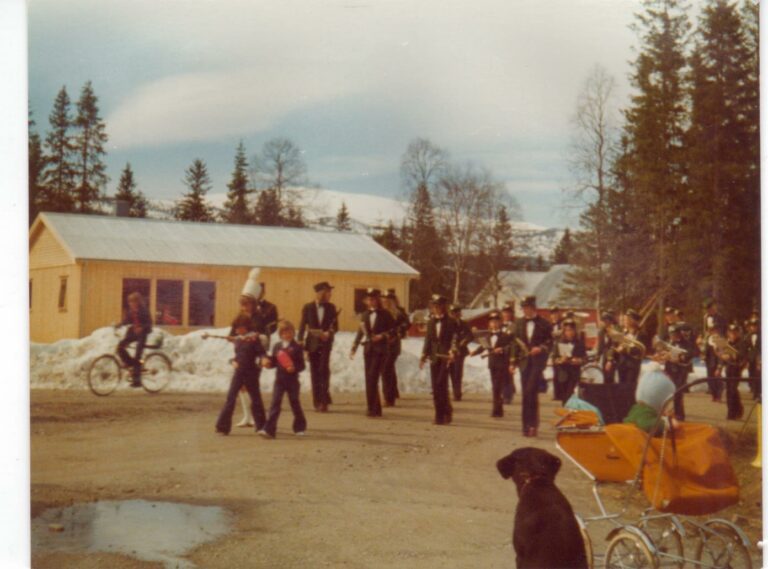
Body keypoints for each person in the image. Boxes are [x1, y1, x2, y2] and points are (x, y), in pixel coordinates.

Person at [215, 313, 267, 435]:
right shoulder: (238, 340)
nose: (236, 330)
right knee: (230, 398)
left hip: (251, 372)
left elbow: (261, 352)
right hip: (239, 372)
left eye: (239, 328)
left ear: (246, 327)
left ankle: (261, 425)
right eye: (236, 328)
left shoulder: (254, 338)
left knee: (255, 398)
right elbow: (238, 356)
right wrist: (233, 361)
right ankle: (222, 426)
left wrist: (264, 359)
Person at [351, 288, 395, 417]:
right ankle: (373, 408)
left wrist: (382, 336)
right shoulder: (365, 314)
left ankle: (373, 408)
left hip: (380, 350)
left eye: (373, 299)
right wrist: (354, 346)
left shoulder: (385, 314)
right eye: (369, 299)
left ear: (378, 300)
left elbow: (393, 331)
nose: (371, 302)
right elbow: (361, 331)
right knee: (369, 378)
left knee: (373, 377)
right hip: (368, 349)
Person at [259, 320, 307, 438]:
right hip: (279, 380)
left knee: (294, 403)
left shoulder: (297, 347)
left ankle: (299, 427)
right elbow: (275, 362)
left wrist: (294, 368)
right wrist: (268, 363)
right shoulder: (277, 346)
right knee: (275, 403)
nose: (287, 335)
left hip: (292, 381)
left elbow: (302, 365)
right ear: (280, 334)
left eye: (289, 332)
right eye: (284, 333)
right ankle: (269, 430)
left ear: (293, 332)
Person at [514, 295, 553, 437]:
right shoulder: (518, 323)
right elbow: (514, 343)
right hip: (524, 362)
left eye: (528, 307)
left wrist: (541, 348)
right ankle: (526, 426)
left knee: (531, 391)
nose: (525, 310)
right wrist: (512, 362)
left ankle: (533, 424)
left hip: (537, 363)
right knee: (526, 394)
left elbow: (550, 342)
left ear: (533, 307)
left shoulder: (544, 323)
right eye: (524, 308)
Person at [298, 281, 338, 412]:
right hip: (312, 344)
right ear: (320, 293)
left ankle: (324, 401)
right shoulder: (308, 307)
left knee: (324, 371)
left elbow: (335, 327)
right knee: (315, 372)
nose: (330, 294)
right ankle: (317, 401)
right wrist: (300, 342)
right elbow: (302, 326)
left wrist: (328, 333)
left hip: (325, 343)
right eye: (327, 292)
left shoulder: (331, 307)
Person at [420, 294, 459, 425]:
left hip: (446, 357)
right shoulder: (431, 322)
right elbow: (428, 340)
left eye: (438, 306)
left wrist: (453, 351)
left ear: (443, 307)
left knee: (441, 384)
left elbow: (455, 339)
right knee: (435, 387)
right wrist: (424, 355)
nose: (436, 309)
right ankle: (444, 412)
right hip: (434, 357)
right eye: (434, 306)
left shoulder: (451, 322)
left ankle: (441, 415)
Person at [471, 311, 512, 417]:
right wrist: (474, 352)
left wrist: (502, 349)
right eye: (492, 322)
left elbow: (511, 347)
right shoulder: (488, 335)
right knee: (495, 386)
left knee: (497, 386)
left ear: (500, 323)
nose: (494, 324)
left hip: (502, 364)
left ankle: (496, 410)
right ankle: (499, 409)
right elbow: (483, 346)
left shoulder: (505, 335)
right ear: (489, 324)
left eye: (496, 322)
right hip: (492, 364)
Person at [117, 291, 153, 388]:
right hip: (134, 332)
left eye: (133, 301)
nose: (131, 304)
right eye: (129, 302)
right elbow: (126, 320)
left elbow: (149, 324)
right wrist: (118, 325)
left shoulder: (144, 310)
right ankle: (132, 364)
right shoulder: (131, 311)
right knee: (120, 347)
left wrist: (142, 328)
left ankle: (137, 381)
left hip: (143, 334)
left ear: (137, 302)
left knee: (138, 354)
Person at [381, 290, 410, 406]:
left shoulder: (399, 312)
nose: (386, 302)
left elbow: (407, 324)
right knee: (389, 368)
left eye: (388, 300)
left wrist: (398, 332)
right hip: (383, 344)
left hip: (394, 344)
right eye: (384, 300)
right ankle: (393, 391)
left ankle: (388, 398)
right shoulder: (381, 312)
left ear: (393, 301)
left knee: (386, 369)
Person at [662, 323, 693, 421]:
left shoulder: (686, 343)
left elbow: (690, 354)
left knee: (678, 392)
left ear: (679, 333)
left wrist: (679, 357)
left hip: (681, 370)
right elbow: (665, 353)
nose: (672, 336)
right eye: (671, 334)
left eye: (674, 334)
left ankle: (679, 414)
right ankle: (670, 411)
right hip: (670, 369)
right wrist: (664, 356)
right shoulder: (670, 342)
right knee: (668, 391)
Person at [552, 319, 586, 405]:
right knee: (564, 398)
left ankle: (570, 411)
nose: (569, 332)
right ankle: (566, 411)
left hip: (574, 373)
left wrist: (579, 360)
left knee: (570, 395)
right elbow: (554, 358)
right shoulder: (559, 342)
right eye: (567, 330)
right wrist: (560, 360)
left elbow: (584, 358)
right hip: (563, 373)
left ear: (574, 331)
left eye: (571, 330)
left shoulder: (579, 343)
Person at [701, 298, 727, 402]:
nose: (708, 311)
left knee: (717, 371)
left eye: (709, 308)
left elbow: (723, 332)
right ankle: (713, 392)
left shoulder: (720, 318)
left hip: (718, 342)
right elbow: (704, 331)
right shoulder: (705, 317)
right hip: (708, 345)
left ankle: (719, 393)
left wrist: (720, 343)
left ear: (714, 307)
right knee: (709, 371)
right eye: (706, 309)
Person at [719, 322, 746, 420]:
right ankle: (732, 411)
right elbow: (722, 356)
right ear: (728, 333)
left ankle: (735, 410)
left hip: (736, 368)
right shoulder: (727, 343)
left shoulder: (741, 343)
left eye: (735, 332)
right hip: (729, 368)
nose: (732, 334)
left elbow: (742, 355)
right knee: (729, 391)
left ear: (738, 333)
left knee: (733, 390)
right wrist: (720, 364)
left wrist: (732, 355)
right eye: (731, 332)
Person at [448, 304, 472, 402]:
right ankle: (453, 391)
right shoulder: (447, 324)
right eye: (453, 313)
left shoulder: (464, 324)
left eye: (457, 312)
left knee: (458, 372)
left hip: (460, 352)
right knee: (451, 371)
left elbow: (470, 335)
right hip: (449, 351)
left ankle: (457, 393)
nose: (455, 314)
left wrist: (464, 341)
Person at [616, 309, 645, 387]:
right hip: (622, 364)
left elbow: (640, 350)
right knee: (621, 387)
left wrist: (625, 349)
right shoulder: (625, 333)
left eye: (627, 319)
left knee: (629, 387)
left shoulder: (641, 334)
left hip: (632, 366)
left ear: (633, 321)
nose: (625, 322)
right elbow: (620, 345)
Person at [500, 302, 517, 404]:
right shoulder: (499, 325)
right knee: (501, 375)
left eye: (508, 313)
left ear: (511, 314)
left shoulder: (515, 326)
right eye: (504, 312)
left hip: (510, 353)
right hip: (499, 354)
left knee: (508, 375)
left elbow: (515, 342)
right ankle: (506, 392)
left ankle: (507, 396)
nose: (506, 315)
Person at [597, 312, 618, 384]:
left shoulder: (614, 332)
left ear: (609, 322)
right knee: (604, 377)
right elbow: (600, 346)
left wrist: (610, 360)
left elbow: (613, 346)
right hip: (604, 357)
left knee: (610, 377)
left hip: (613, 358)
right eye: (602, 321)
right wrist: (596, 359)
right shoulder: (601, 332)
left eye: (605, 321)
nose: (603, 323)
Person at [746, 315, 761, 401]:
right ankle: (753, 390)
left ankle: (757, 393)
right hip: (751, 359)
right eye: (752, 326)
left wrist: (760, 360)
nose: (753, 327)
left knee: (758, 376)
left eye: (755, 326)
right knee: (751, 375)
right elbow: (747, 348)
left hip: (759, 359)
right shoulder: (748, 336)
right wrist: (747, 361)